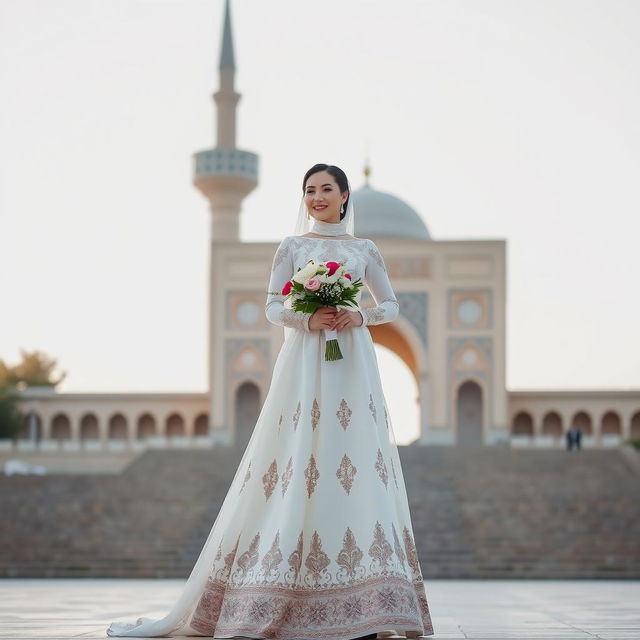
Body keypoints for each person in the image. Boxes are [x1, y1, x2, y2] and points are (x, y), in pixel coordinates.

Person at [106, 163, 435, 639]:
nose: (317, 197)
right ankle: (280, 594)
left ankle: (368, 603)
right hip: (304, 365)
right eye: (309, 190)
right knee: (300, 458)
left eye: (326, 189)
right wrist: (310, 318)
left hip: (351, 367)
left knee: (354, 462)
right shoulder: (293, 246)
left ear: (345, 196)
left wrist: (355, 316)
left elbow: (390, 306)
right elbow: (273, 306)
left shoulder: (365, 250)